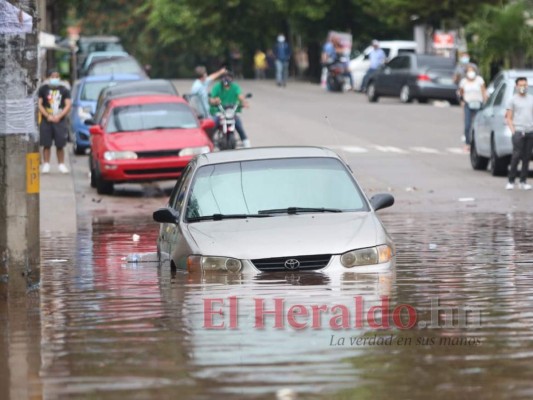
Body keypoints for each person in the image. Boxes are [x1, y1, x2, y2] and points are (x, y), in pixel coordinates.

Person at [38, 69, 72, 174]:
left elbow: (68, 105)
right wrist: (48, 116)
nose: (55, 79)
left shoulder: (64, 90)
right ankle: (46, 164)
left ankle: (61, 164)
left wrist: (59, 116)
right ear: (49, 78)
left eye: (56, 77)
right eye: (52, 77)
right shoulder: (43, 89)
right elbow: (39, 104)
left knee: (60, 144)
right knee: (46, 144)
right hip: (46, 121)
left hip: (60, 121)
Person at [209, 71, 251, 148]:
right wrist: (215, 101)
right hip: (219, 112)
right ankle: (208, 144)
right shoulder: (217, 87)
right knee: (213, 125)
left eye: (229, 77)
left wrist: (244, 102)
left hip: (232, 112)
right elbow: (211, 99)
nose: (226, 79)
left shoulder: (235, 87)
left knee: (239, 126)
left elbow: (240, 96)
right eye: (224, 77)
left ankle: (247, 145)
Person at [505, 77, 533, 190]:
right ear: (516, 87)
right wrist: (513, 130)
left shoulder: (531, 99)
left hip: (530, 131)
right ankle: (511, 180)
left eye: (525, 85)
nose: (523, 87)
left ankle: (523, 181)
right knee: (516, 156)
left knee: (527, 157)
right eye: (521, 85)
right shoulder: (512, 100)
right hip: (518, 131)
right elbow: (509, 117)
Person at [459, 65, 487, 152]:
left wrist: (485, 102)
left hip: (479, 104)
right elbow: (461, 92)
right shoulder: (463, 82)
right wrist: (462, 101)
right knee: (467, 125)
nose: (471, 73)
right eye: (469, 71)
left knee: (478, 125)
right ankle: (467, 143)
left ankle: (477, 144)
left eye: (472, 70)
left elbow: (484, 92)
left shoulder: (479, 80)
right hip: (468, 104)